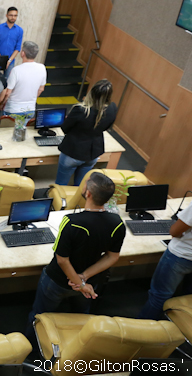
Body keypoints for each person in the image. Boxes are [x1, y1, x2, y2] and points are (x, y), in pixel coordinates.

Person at [24, 172, 122, 345]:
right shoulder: (117, 222)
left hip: (58, 280)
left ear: (88, 193)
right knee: (80, 317)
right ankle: (76, 347)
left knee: (40, 315)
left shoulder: (71, 221)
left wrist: (79, 282)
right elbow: (112, 256)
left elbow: (62, 259)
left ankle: (31, 348)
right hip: (90, 282)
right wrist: (83, 279)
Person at [55, 80, 117, 186]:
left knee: (61, 184)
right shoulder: (112, 108)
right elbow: (106, 127)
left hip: (73, 152)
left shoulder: (80, 109)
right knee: (81, 185)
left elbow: (65, 128)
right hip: (93, 153)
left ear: (91, 92)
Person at [138, 199, 192, 320]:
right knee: (188, 294)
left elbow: (175, 231)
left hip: (181, 255)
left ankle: (143, 326)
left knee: (159, 296)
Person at [0, 41, 46, 117]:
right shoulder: (42, 68)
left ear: (22, 53)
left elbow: (8, 92)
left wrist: (2, 104)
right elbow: (41, 89)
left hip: (13, 109)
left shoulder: (16, 70)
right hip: (30, 109)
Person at [0, 7, 23, 79]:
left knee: (8, 81)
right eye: (11, 15)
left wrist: (9, 60)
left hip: (10, 61)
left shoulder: (20, 30)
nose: (13, 17)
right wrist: (0, 59)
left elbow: (17, 48)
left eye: (15, 15)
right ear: (6, 15)